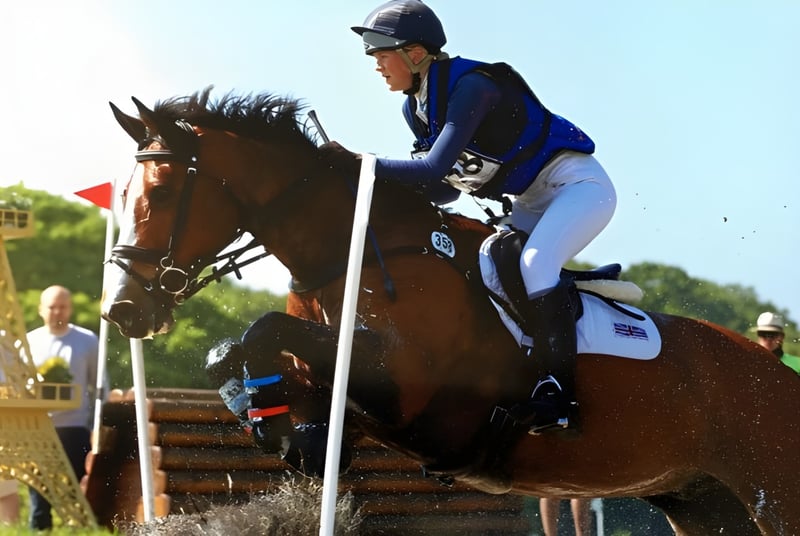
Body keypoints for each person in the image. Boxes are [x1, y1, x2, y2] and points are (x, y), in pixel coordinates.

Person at [347, 0, 617, 434]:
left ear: (415, 54)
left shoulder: (471, 87)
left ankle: (559, 393)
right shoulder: (414, 107)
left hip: (577, 186)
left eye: (381, 54)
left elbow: (433, 170)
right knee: (484, 268)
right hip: (531, 199)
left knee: (534, 264)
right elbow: (440, 188)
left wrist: (359, 164)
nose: (377, 65)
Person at [25, 285, 102, 530]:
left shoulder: (87, 340)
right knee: (38, 485)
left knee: (77, 484)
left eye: (63, 306)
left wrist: (100, 424)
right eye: (52, 307)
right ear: (41, 310)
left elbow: (99, 385)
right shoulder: (29, 341)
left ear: (70, 309)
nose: (57, 311)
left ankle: (80, 528)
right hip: (38, 424)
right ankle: (40, 528)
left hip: (75, 424)